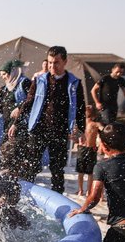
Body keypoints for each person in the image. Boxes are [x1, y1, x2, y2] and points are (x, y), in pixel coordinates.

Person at [8, 46, 86, 193]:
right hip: (39, 129)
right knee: (31, 164)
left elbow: (81, 108)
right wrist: (16, 124)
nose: (52, 66)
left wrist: (81, 130)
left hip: (60, 130)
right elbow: (28, 102)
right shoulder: (39, 80)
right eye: (50, 62)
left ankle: (58, 195)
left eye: (56, 62)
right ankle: (25, 193)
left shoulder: (74, 83)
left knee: (57, 167)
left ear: (65, 62)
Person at [0, 59, 31, 141]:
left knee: (13, 150)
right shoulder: (7, 86)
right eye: (1, 75)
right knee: (5, 150)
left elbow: (31, 100)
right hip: (9, 124)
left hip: (20, 123)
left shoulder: (25, 82)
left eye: (4, 74)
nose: (2, 77)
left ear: (13, 72)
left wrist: (19, 108)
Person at [76, 106, 103, 196]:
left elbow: (103, 129)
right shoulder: (82, 124)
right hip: (83, 149)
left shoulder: (95, 124)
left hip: (91, 149)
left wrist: (100, 144)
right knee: (82, 171)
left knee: (89, 172)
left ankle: (87, 191)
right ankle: (81, 190)